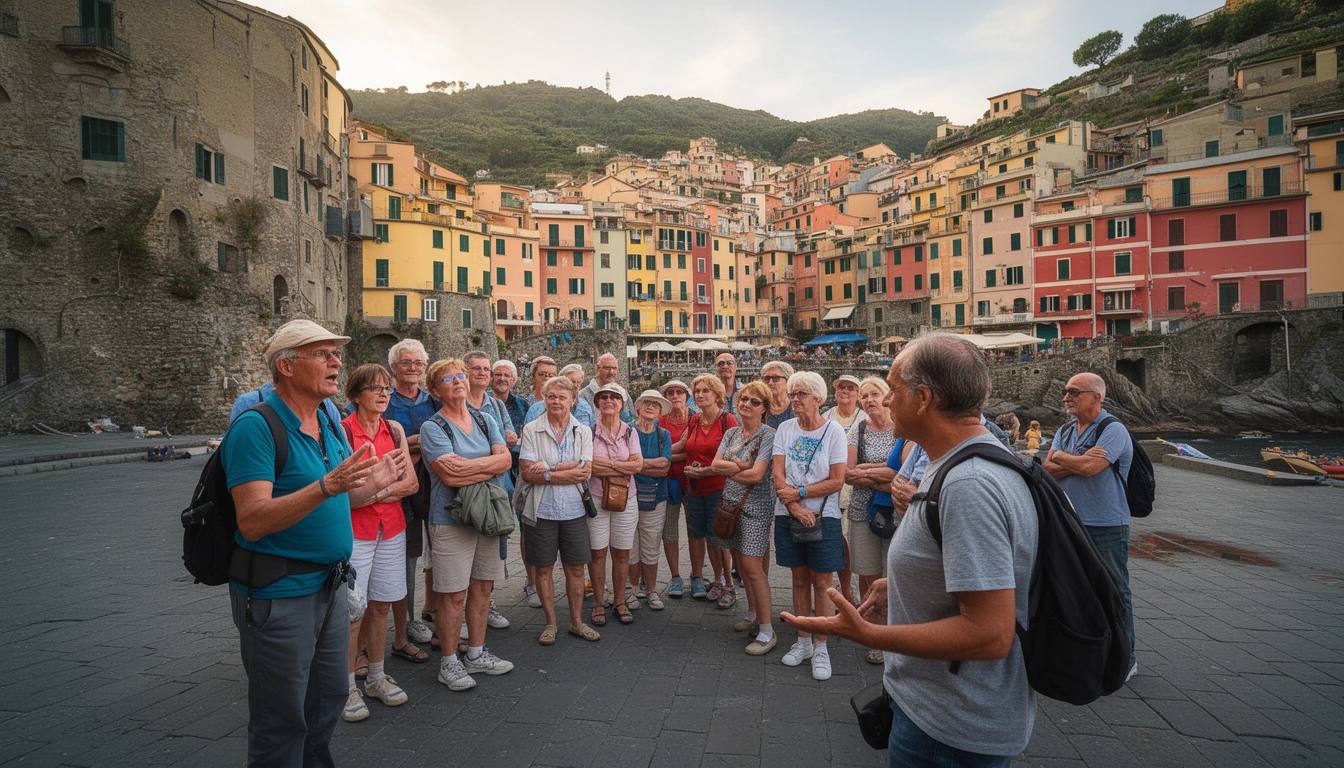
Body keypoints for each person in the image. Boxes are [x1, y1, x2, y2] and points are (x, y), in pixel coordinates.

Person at [784, 333, 1040, 766]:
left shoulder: (970, 484)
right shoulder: (961, 460)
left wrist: (871, 636)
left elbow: (990, 633)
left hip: (951, 726)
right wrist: (901, 581)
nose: (883, 398)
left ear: (923, 398)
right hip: (942, 711)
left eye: (891, 387)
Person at [223, 319, 405, 766]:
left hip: (330, 587)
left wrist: (375, 483)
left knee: (328, 700)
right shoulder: (256, 427)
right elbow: (251, 520)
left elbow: (345, 494)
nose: (336, 362)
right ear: (286, 366)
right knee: (281, 718)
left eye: (336, 353)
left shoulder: (326, 419)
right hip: (279, 594)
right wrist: (326, 486)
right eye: (322, 354)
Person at [420, 359, 515, 692]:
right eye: (449, 377)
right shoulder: (433, 428)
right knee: (452, 594)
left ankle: (476, 653)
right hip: (450, 519)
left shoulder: (486, 418)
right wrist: (489, 468)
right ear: (434, 390)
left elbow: (506, 460)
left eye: (461, 374)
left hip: (486, 515)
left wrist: (471, 468)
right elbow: (447, 474)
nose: (459, 380)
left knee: (483, 588)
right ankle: (448, 662)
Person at [339, 364, 420, 722]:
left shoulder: (396, 429)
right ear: (356, 395)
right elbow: (347, 497)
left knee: (382, 606)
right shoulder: (342, 432)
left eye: (386, 387)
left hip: (392, 528)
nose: (384, 393)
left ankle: (375, 675)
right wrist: (386, 491)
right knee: (352, 612)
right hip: (356, 532)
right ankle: (346, 687)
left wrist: (377, 490)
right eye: (374, 388)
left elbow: (412, 485)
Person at [1044, 372, 1137, 681]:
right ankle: (1089, 653)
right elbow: (1047, 471)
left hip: (1106, 524)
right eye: (1065, 391)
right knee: (1075, 590)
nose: (1066, 397)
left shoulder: (1114, 430)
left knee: (1115, 590)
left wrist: (1064, 458)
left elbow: (1091, 468)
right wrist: (1071, 459)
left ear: (1096, 397)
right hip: (1070, 521)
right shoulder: (1066, 429)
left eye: (1074, 392)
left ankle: (1126, 658)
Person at [771, 371, 848, 681]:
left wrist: (801, 495)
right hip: (787, 514)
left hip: (824, 516)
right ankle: (802, 640)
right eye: (793, 393)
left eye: (801, 393)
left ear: (819, 399)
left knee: (822, 583)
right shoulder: (785, 430)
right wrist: (793, 506)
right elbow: (777, 475)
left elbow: (837, 479)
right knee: (799, 579)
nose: (795, 399)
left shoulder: (834, 432)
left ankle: (821, 646)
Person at [517, 374, 601, 644]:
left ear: (573, 401)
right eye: (551, 396)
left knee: (576, 569)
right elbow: (529, 472)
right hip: (541, 509)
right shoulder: (532, 429)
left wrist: (549, 469)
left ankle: (576, 622)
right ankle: (551, 623)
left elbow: (585, 471)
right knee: (543, 569)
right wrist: (566, 469)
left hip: (574, 509)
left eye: (561, 397)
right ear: (543, 399)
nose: (555, 401)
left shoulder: (583, 431)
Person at [381, 340, 441, 653]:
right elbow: (381, 447)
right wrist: (416, 444)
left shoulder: (433, 401)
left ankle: (420, 615)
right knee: (402, 558)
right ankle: (401, 623)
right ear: (394, 367)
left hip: (430, 487)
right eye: (406, 362)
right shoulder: (385, 402)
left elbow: (446, 439)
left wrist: (408, 444)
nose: (413, 368)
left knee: (425, 555)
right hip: (396, 491)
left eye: (418, 363)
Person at [710, 381, 777, 654]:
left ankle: (767, 630)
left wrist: (731, 467)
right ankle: (752, 612)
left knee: (751, 567)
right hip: (731, 505)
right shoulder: (732, 433)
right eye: (743, 399)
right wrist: (743, 465)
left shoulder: (769, 435)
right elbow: (715, 465)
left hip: (756, 508)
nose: (746, 404)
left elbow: (757, 475)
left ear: (765, 408)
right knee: (740, 561)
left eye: (754, 401)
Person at [843, 376, 904, 665]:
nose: (869, 400)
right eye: (864, 396)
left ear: (887, 395)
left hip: (896, 509)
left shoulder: (901, 429)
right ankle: (872, 623)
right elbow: (847, 473)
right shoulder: (859, 428)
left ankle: (892, 627)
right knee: (867, 569)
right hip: (861, 509)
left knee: (893, 568)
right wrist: (883, 474)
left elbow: (903, 474)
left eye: (874, 393)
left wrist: (867, 473)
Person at [462, 351, 517, 634]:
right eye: (477, 368)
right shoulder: (456, 402)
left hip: (497, 489)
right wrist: (493, 447)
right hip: (466, 490)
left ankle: (488, 602)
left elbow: (510, 438)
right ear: (465, 372)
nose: (483, 373)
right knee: (463, 549)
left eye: (487, 369)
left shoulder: (496, 405)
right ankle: (460, 611)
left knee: (493, 550)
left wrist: (503, 441)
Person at [677, 374, 739, 605]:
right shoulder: (694, 420)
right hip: (695, 489)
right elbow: (686, 448)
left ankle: (730, 586)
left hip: (718, 488)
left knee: (719, 539)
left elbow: (734, 461)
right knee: (704, 536)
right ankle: (718, 580)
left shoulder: (728, 421)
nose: (700, 395)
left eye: (705, 391)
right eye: (697, 391)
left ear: (717, 395)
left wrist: (706, 471)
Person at [587, 383, 643, 625]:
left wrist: (606, 465)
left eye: (614, 397)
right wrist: (621, 466)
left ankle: (619, 600)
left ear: (622, 404)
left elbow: (638, 465)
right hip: (597, 498)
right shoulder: (587, 432)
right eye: (604, 397)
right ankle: (599, 602)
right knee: (597, 553)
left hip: (626, 500)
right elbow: (587, 466)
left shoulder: (630, 432)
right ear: (597, 403)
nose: (609, 400)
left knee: (622, 553)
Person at [824, 374, 867, 607]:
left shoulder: (865, 418)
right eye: (841, 387)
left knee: (853, 542)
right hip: (829, 487)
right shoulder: (826, 417)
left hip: (854, 487)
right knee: (833, 539)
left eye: (851, 388)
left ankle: (853, 592)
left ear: (857, 395)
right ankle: (831, 591)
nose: (845, 391)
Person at [630, 390, 673, 610]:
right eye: (646, 402)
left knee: (651, 544)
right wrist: (647, 465)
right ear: (638, 407)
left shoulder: (663, 434)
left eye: (655, 404)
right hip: (628, 496)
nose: (650, 406)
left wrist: (636, 465)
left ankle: (651, 590)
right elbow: (623, 460)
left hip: (657, 497)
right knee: (630, 546)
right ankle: (633, 589)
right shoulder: (627, 430)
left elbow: (665, 465)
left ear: (659, 411)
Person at [659, 380, 694, 598]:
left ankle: (697, 575)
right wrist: (680, 451)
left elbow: (697, 453)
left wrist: (667, 455)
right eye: (670, 392)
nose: (675, 396)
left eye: (679, 391)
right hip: (668, 481)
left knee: (695, 531)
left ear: (687, 395)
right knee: (669, 531)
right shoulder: (660, 421)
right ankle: (675, 577)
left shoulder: (696, 419)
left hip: (692, 481)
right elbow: (656, 454)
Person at [526, 362, 595, 428]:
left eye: (578, 383)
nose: (576, 386)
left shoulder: (585, 407)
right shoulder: (537, 409)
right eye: (572, 382)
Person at [492, 359, 528, 482]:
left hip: (516, 463)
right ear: (491, 378)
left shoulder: (523, 404)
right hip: (492, 461)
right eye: (498, 375)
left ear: (513, 381)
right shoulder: (482, 401)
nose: (502, 378)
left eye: (507, 375)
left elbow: (528, 433)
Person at [579, 353, 633, 421]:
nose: (611, 372)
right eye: (607, 368)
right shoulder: (583, 395)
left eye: (614, 368)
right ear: (597, 369)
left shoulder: (623, 393)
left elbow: (632, 418)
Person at [760, 361, 795, 429]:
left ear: (788, 381)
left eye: (776, 378)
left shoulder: (798, 408)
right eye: (767, 379)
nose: (770, 383)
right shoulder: (758, 407)